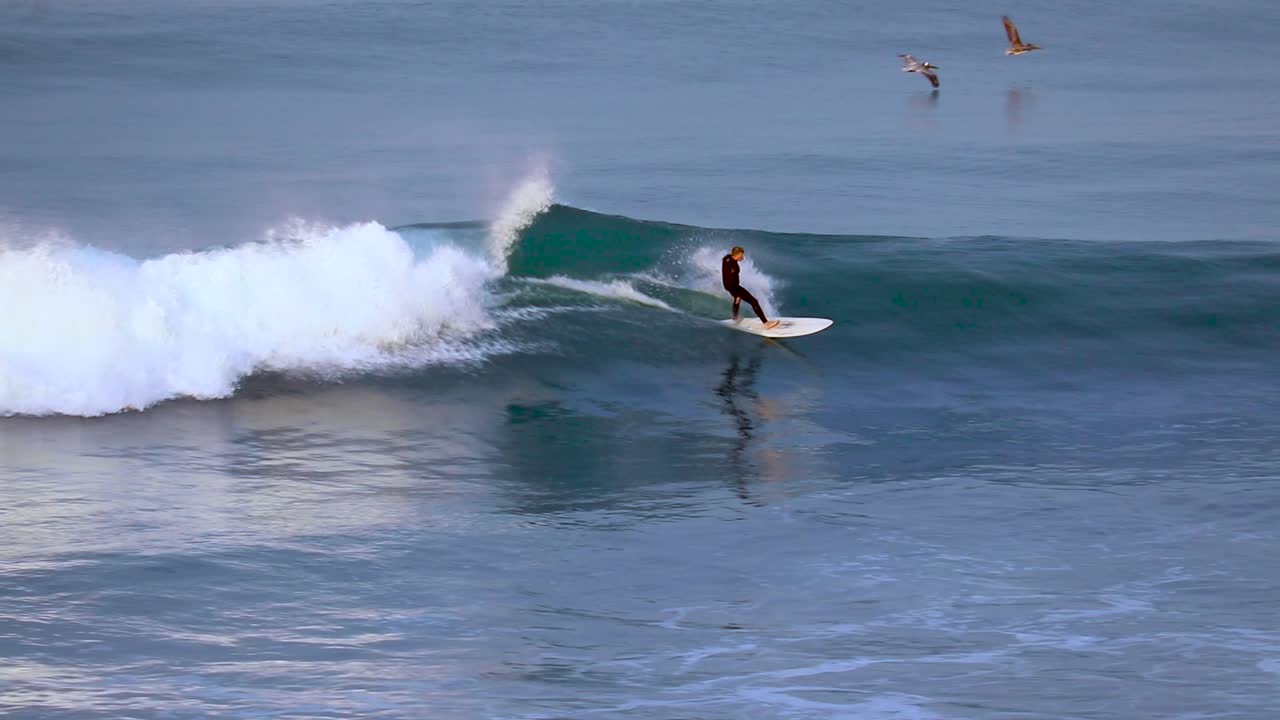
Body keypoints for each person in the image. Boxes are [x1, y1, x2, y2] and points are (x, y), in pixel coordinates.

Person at [722, 246, 779, 329]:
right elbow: (730, 278)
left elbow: (727, 275)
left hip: (729, 286)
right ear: (737, 254)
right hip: (733, 286)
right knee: (754, 301)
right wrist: (736, 293)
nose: (743, 257)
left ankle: (735, 318)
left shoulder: (727, 258)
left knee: (738, 299)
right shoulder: (733, 266)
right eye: (741, 255)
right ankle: (766, 323)